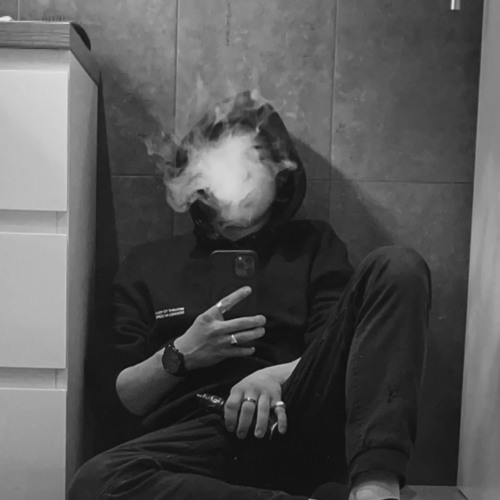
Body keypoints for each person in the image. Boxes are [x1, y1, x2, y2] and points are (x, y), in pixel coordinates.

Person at [69, 93, 431, 500]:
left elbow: (348, 355)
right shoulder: (148, 264)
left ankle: (376, 490)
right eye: (223, 158)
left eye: (255, 157)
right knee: (96, 482)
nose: (240, 173)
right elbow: (119, 397)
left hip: (298, 418)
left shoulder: (314, 247)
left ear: (282, 174)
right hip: (199, 439)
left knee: (397, 266)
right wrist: (182, 354)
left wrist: (273, 376)